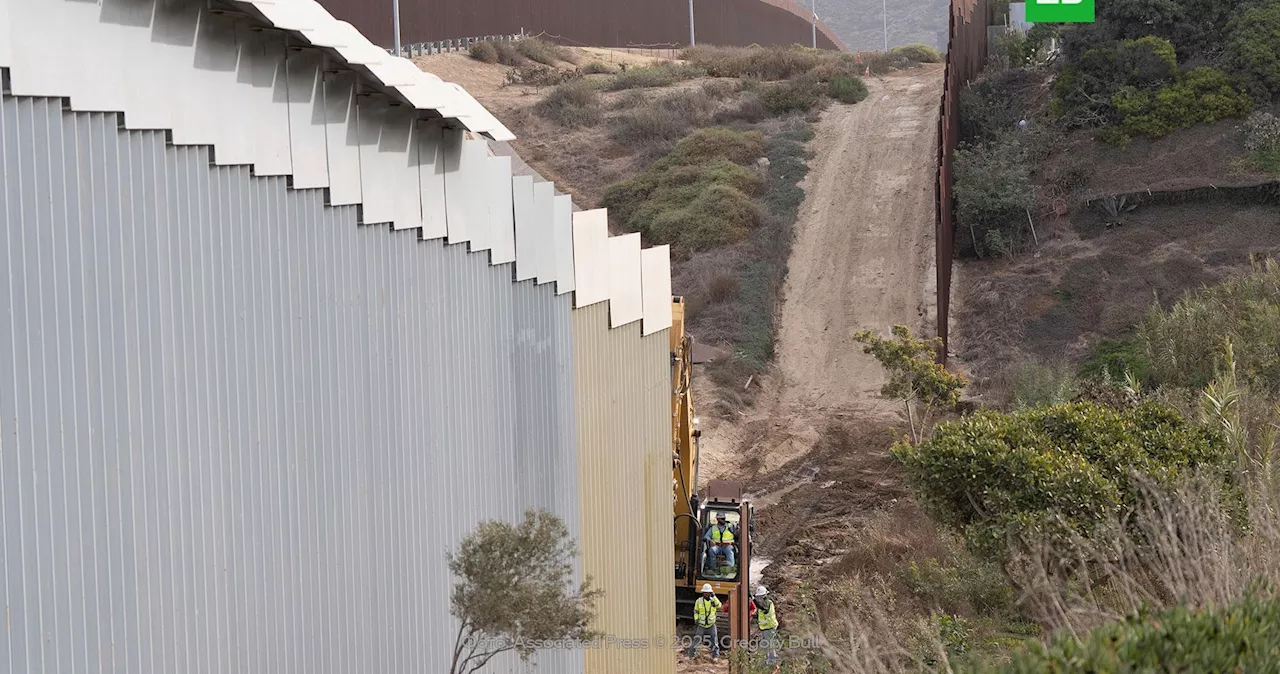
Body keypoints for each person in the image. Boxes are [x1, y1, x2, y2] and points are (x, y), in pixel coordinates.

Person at [688, 584, 722, 661]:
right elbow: (696, 611)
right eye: (705, 592)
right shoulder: (699, 601)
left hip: (711, 625)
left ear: (710, 593)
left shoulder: (713, 601)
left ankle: (715, 656)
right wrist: (696, 619)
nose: (706, 594)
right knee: (696, 640)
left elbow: (719, 605)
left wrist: (714, 597)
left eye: (707, 592)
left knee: (714, 641)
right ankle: (691, 656)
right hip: (701, 625)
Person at [752, 585, 780, 668]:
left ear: (763, 596)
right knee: (767, 644)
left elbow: (764, 609)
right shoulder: (764, 603)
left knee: (769, 644)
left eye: (759, 597)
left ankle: (771, 661)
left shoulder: (767, 603)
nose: (758, 599)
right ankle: (770, 659)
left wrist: (753, 600)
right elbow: (761, 613)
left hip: (770, 627)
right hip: (766, 627)